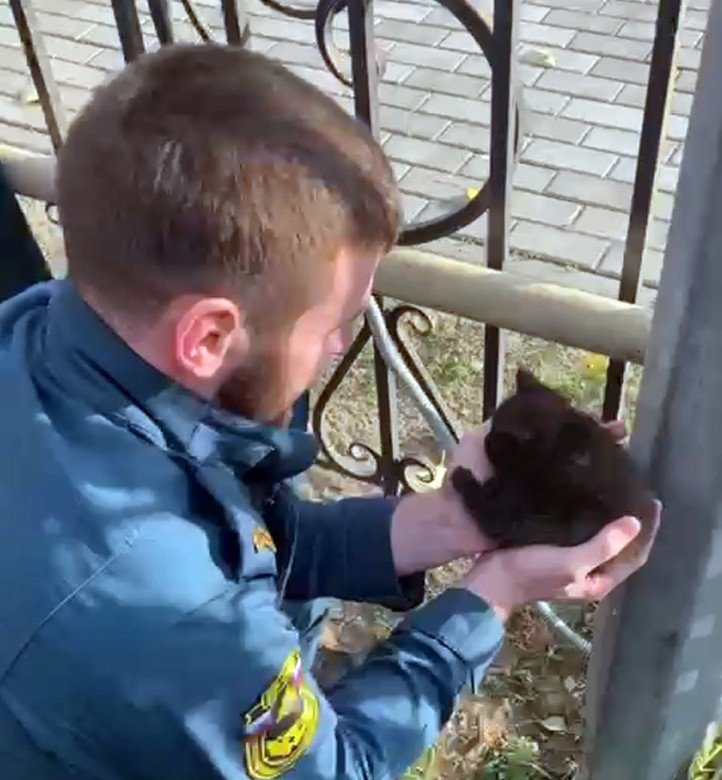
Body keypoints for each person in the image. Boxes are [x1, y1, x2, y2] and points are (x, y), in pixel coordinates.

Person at [0, 44, 660, 780]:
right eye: (333, 322)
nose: (340, 344)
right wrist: (492, 595)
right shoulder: (169, 612)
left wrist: (447, 521)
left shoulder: (45, 332)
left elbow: (245, 542)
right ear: (210, 336)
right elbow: (337, 769)